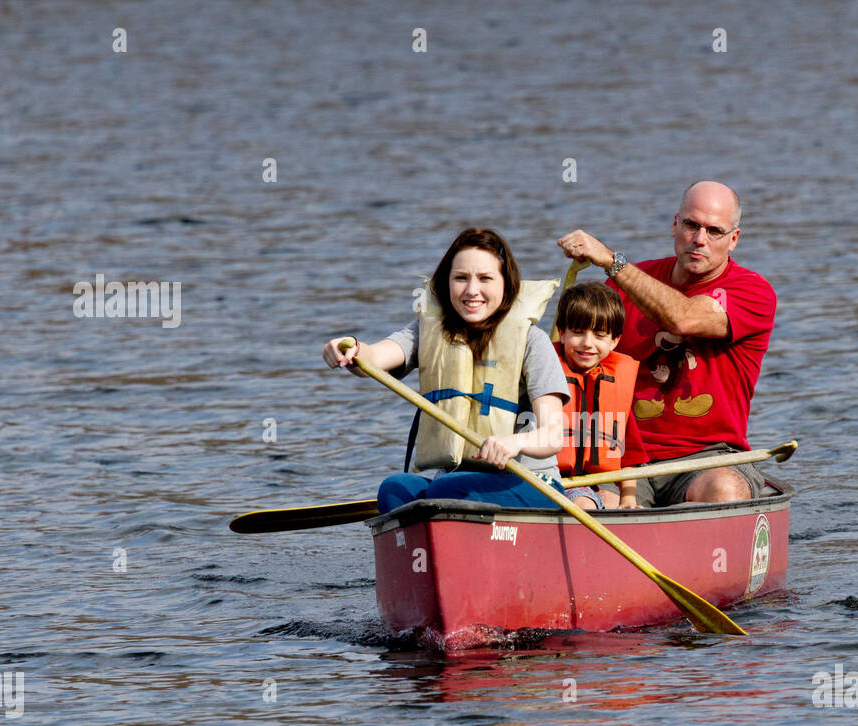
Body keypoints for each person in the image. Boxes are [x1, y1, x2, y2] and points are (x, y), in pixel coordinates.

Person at [556, 181, 777, 507]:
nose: (699, 239)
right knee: (596, 503)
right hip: (623, 453)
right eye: (691, 225)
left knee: (726, 490)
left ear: (734, 240)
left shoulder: (754, 292)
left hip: (708, 458)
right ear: (675, 224)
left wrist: (610, 261)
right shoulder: (623, 285)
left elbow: (683, 319)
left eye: (714, 231)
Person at [322, 228, 569, 512]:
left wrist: (515, 442)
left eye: (485, 278)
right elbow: (374, 357)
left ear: (506, 284)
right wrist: (350, 347)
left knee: (446, 490)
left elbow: (552, 436)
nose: (471, 290)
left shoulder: (532, 341)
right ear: (446, 283)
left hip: (530, 482)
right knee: (395, 488)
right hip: (455, 481)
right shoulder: (429, 333)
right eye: (461, 278)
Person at [552, 282, 647, 509]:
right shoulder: (541, 371)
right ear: (561, 333)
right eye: (577, 332)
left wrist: (629, 499)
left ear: (614, 341)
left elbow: (629, 456)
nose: (587, 343)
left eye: (599, 335)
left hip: (583, 483)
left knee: (597, 503)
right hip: (540, 478)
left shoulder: (615, 386)